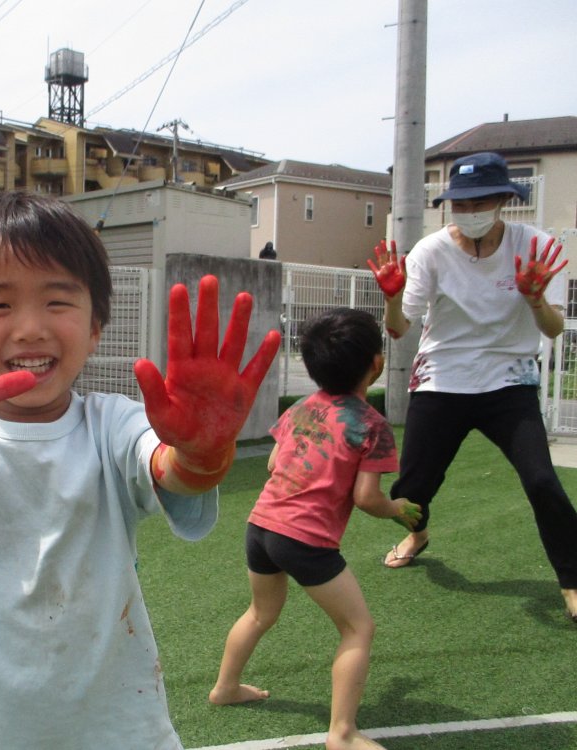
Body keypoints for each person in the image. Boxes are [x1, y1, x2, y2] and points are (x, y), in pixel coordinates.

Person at [0, 191, 281, 749]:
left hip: (119, 728)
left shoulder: (112, 424)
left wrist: (204, 451)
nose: (30, 328)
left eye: (58, 301)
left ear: (95, 326)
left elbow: (171, 470)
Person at [367, 151, 577, 624]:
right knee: (413, 488)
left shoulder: (535, 245)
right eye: (460, 203)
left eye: (481, 200)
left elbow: (554, 329)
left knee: (542, 481)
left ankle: (572, 580)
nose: (470, 211)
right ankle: (418, 535)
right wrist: (393, 298)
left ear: (504, 199)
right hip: (443, 376)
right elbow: (400, 330)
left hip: (509, 379)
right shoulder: (430, 251)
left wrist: (535, 299)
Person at [209, 307, 420, 750]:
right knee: (358, 628)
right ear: (376, 364)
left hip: (261, 527)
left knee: (260, 613)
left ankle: (225, 687)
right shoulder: (373, 426)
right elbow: (367, 498)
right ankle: (341, 733)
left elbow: (272, 463)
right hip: (305, 540)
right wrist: (398, 508)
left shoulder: (302, 407)